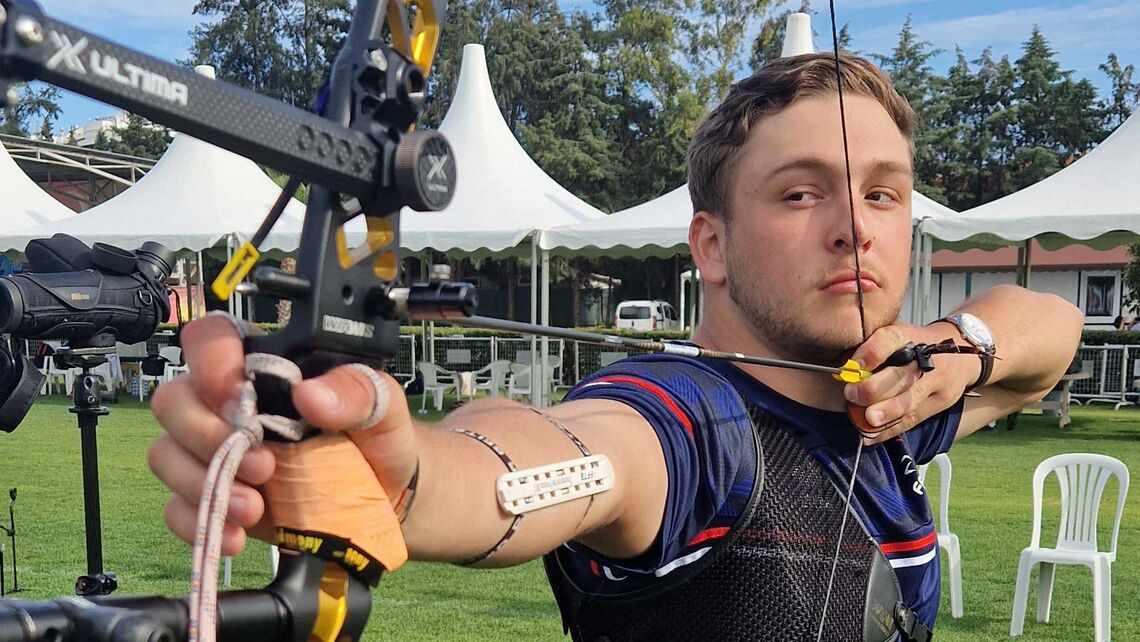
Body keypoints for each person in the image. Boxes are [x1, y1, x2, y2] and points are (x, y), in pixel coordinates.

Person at [148, 52, 1082, 640]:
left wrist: (966, 344)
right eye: (801, 194)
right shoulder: (693, 425)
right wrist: (410, 477)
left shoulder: (894, 405)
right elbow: (556, 457)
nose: (856, 227)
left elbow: (1056, 333)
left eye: (883, 193)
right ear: (709, 244)